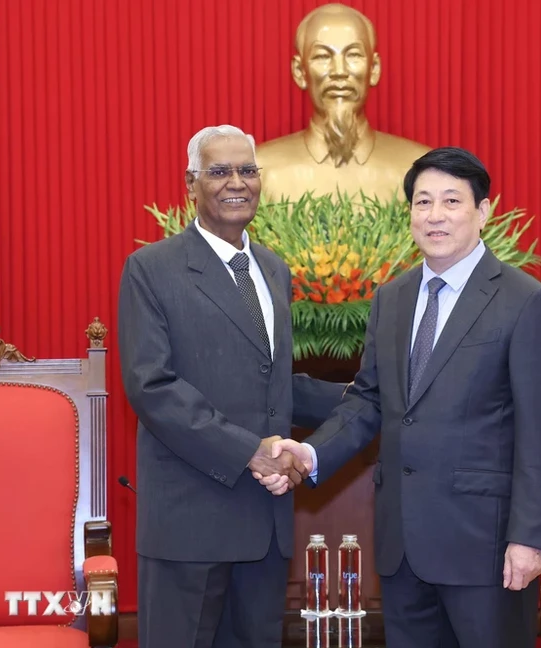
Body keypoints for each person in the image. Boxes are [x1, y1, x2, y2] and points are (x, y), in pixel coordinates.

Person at [256, 147, 541, 647]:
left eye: (451, 200)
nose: (435, 215)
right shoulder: (392, 298)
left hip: (485, 546)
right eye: (423, 202)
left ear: (482, 212)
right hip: (402, 545)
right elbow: (369, 401)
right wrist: (311, 452)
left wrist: (531, 538)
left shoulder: (524, 300)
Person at [118, 124, 345, 648]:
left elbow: (274, 383)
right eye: (218, 171)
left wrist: (374, 395)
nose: (235, 182)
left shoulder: (272, 268)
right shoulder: (151, 270)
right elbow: (152, 387)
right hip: (189, 521)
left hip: (263, 521)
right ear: (190, 185)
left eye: (247, 170)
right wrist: (251, 452)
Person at [255, 3, 431, 202]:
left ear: (373, 69)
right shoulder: (258, 172)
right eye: (322, 56)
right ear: (299, 72)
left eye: (353, 55)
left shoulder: (421, 171)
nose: (339, 71)